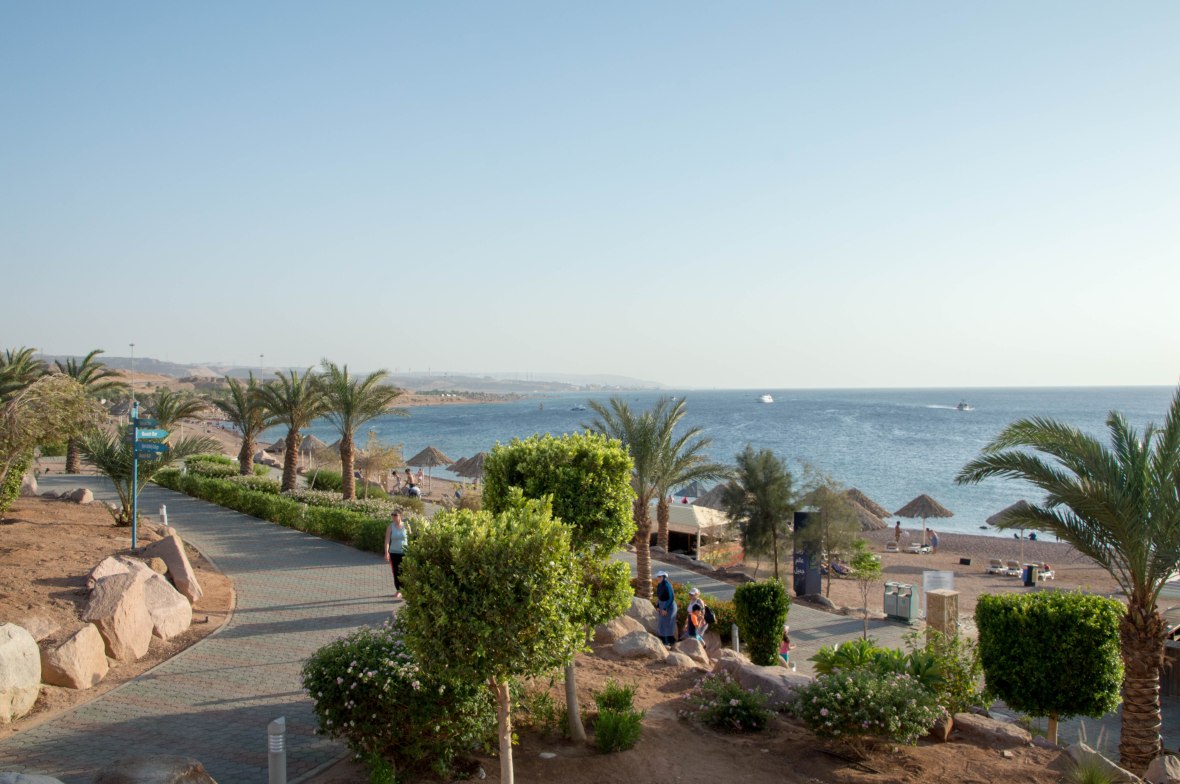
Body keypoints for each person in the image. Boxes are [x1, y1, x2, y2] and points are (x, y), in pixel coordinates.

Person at [384, 510, 412, 601]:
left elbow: (411, 537)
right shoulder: (390, 527)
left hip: (405, 553)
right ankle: (399, 590)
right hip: (394, 553)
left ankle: (406, 589)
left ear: (400, 516)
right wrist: (386, 552)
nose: (393, 517)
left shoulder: (406, 526)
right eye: (392, 515)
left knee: (404, 571)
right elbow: (387, 540)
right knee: (396, 572)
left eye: (395, 515)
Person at [655, 571, 677, 647]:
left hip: (669, 606)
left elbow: (671, 598)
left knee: (667, 623)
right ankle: (665, 640)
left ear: (664, 577)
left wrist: (665, 608)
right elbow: (659, 596)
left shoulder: (667, 585)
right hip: (662, 604)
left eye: (660, 577)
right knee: (661, 622)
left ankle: (668, 642)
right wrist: (658, 606)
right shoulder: (659, 585)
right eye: (658, 577)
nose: (658, 578)